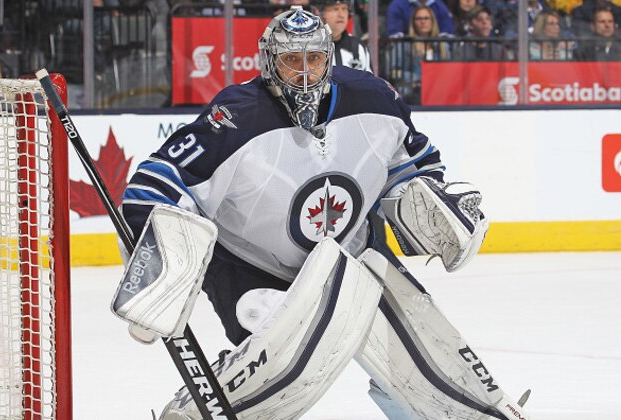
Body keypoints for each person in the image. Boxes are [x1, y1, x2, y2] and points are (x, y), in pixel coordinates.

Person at [118, 6, 531, 419]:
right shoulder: (236, 116)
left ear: (329, 57)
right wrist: (158, 265)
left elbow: (413, 163)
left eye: (313, 59)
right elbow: (156, 185)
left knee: (424, 366)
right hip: (252, 266)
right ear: (268, 61)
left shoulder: (374, 98)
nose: (303, 73)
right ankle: (200, 408)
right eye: (290, 60)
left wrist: (421, 199)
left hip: (354, 257)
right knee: (277, 356)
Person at [312, 0, 372, 71]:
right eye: (335, 9)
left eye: (344, 9)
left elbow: (369, 80)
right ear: (319, 13)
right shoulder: (308, 46)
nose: (341, 14)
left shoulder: (359, 47)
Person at [386, 0, 455, 37]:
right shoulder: (397, 5)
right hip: (409, 51)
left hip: (434, 49)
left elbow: (448, 34)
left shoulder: (439, 5)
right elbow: (394, 36)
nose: (423, 21)